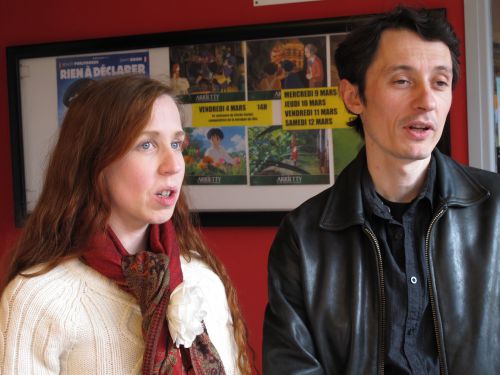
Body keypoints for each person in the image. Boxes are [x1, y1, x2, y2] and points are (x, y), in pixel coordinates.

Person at [263, 6, 500, 375]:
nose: (427, 101)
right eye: (402, 81)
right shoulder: (304, 238)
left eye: (440, 82)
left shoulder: (496, 212)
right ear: (354, 97)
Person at [0, 75, 253, 375]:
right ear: (95, 161)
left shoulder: (202, 280)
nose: (172, 164)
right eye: (146, 144)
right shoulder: (39, 298)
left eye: (176, 143)